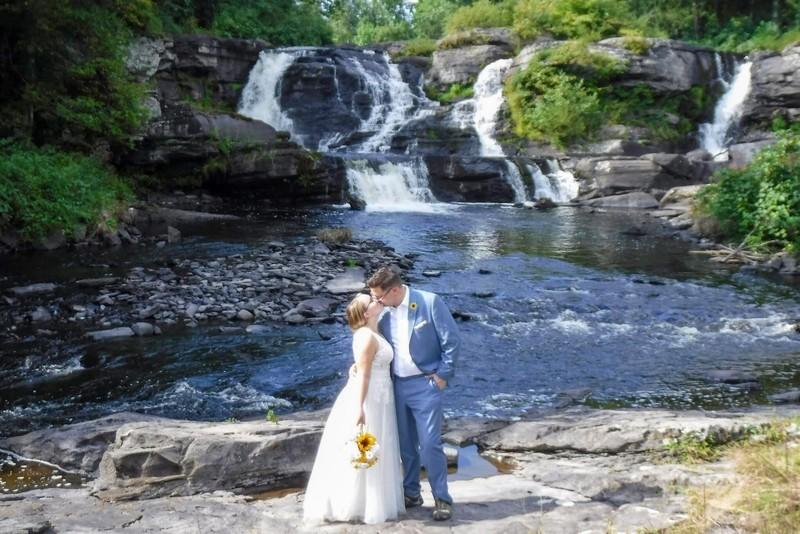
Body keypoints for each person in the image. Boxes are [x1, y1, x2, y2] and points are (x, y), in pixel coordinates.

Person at [367, 266, 460, 521]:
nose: (375, 301)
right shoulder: (382, 313)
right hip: (396, 385)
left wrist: (442, 375)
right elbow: (373, 344)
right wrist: (373, 317)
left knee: (430, 443)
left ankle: (442, 498)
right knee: (405, 445)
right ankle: (411, 493)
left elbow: (451, 341)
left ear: (395, 290)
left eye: (379, 297)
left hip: (425, 384)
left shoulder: (429, 302)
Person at [302, 293, 405, 525]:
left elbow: (362, 365)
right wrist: (359, 408)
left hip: (381, 396)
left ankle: (370, 502)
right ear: (366, 312)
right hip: (370, 398)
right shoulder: (367, 337)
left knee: (376, 447)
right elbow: (364, 373)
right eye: (371, 301)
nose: (376, 300)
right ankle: (357, 504)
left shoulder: (374, 332)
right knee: (364, 448)